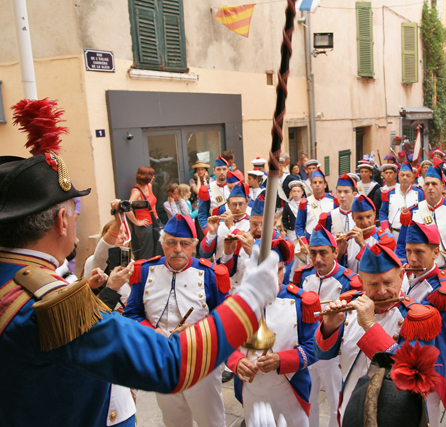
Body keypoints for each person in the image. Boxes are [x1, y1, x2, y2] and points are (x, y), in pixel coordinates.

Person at [0, 97, 279, 427]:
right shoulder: (49, 305)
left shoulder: (20, 283)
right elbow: (171, 364)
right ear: (62, 220)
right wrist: (250, 298)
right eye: (74, 212)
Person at [314, 242, 442, 425]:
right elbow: (322, 353)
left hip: (395, 417)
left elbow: (416, 377)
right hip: (351, 410)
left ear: (401, 276)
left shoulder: (418, 319)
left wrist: (370, 326)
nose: (382, 291)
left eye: (388, 282)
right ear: (361, 281)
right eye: (373, 284)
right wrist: (330, 328)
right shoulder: (350, 304)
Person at [124, 215, 231, 427]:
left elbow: (225, 319)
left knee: (211, 420)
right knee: (173, 420)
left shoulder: (209, 273)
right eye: (171, 242)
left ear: (194, 246)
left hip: (202, 362)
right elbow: (132, 314)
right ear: (162, 243)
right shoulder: (145, 271)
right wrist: (150, 332)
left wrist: (197, 330)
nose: (177, 249)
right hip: (162, 361)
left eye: (184, 243)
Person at [228, 238, 319, 427]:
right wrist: (236, 362)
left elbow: (315, 348)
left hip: (289, 389)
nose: (273, 278)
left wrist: (282, 360)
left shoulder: (301, 302)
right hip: (251, 389)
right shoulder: (235, 301)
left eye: (278, 270)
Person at [292, 224, 362, 427]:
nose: (317, 259)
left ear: (335, 252)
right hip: (307, 347)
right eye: (312, 253)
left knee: (336, 403)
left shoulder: (349, 280)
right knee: (308, 399)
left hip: (334, 352)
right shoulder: (303, 275)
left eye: (323, 253)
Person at [402, 221, 446, 426]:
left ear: (436, 252)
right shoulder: (406, 275)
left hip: (429, 367)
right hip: (403, 360)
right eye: (409, 251)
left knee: (428, 419)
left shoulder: (445, 287)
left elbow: (415, 323)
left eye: (419, 252)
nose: (412, 258)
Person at [397, 163, 446, 277]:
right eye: (427, 184)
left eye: (434, 184)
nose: (430, 187)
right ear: (423, 187)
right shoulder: (411, 213)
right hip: (419, 272)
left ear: (443, 186)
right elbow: (402, 245)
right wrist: (404, 265)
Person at [337, 195, 394, 274]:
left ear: (374, 214)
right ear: (353, 217)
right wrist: (340, 252)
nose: (365, 222)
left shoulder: (386, 238)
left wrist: (362, 244)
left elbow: (384, 268)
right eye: (359, 218)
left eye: (368, 216)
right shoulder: (348, 239)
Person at [199, 183, 251, 262]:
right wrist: (211, 233)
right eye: (234, 204)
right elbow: (204, 254)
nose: (237, 208)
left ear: (247, 204)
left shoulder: (253, 223)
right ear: (228, 205)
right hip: (221, 271)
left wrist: (231, 226)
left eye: (241, 204)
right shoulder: (220, 223)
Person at [379, 162, 425, 241]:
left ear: (413, 178)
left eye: (408, 176)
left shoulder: (420, 193)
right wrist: (386, 228)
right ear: (398, 177)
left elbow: (424, 212)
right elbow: (383, 212)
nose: (404, 178)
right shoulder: (389, 193)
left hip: (413, 233)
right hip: (393, 233)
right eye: (402, 175)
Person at [127, 165, 162, 260]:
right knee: (147, 251)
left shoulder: (148, 186)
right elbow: (127, 208)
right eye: (152, 175)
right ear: (147, 177)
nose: (153, 177)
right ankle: (144, 272)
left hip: (154, 222)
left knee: (157, 249)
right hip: (145, 226)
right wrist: (137, 222)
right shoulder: (137, 192)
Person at [295, 168, 334, 241]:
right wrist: (304, 243)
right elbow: (299, 226)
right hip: (311, 241)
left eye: (320, 182)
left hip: (330, 241)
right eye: (315, 182)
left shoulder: (334, 200)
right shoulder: (305, 202)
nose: (317, 185)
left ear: (325, 185)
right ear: (311, 185)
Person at [198, 156, 231, 232]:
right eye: (218, 169)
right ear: (214, 171)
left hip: (232, 228)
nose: (221, 172)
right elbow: (202, 214)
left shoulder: (234, 187)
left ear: (228, 170)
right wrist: (207, 230)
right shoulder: (207, 189)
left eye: (224, 169)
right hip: (215, 229)